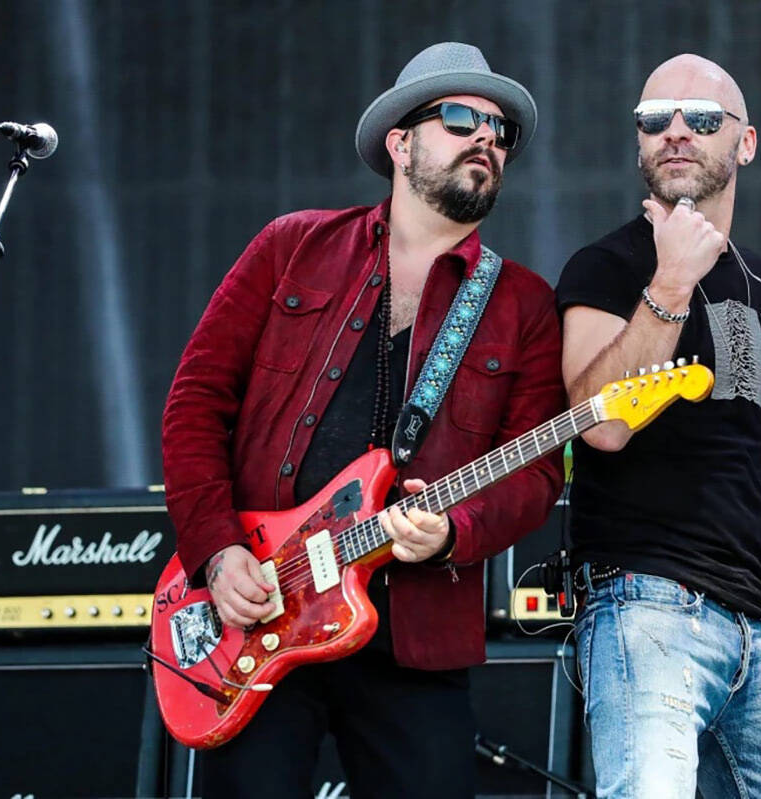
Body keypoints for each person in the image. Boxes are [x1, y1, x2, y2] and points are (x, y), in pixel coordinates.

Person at [161, 42, 564, 798]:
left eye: (500, 130)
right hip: (261, 606)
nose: (487, 136)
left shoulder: (523, 304)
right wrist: (217, 551)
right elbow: (195, 401)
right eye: (460, 118)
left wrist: (454, 531)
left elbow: (537, 473)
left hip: (415, 638)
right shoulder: (293, 247)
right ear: (400, 142)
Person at [555, 54, 761, 798]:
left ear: (745, 143)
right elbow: (600, 426)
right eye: (654, 119)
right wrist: (670, 283)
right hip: (645, 602)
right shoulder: (604, 266)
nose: (675, 132)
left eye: (700, 118)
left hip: (753, 623)